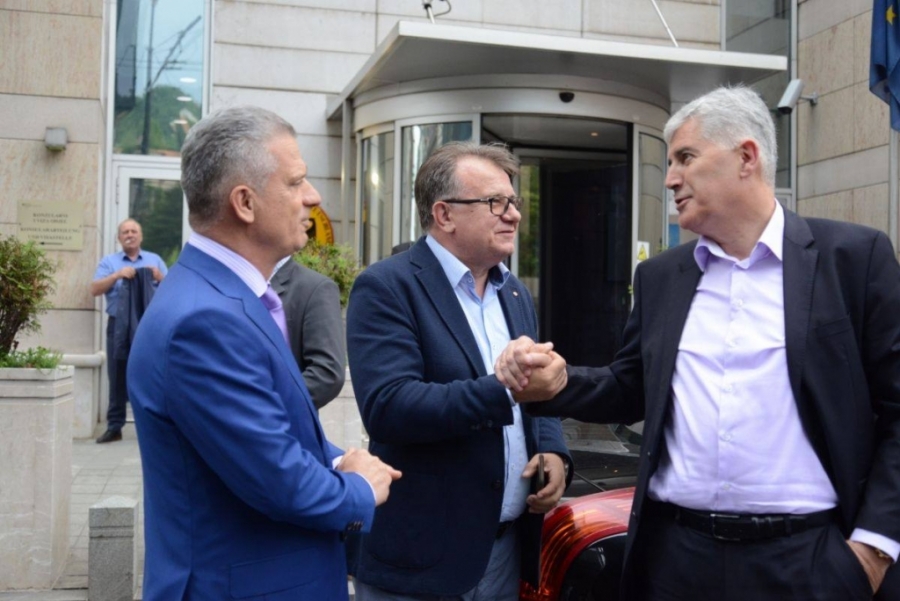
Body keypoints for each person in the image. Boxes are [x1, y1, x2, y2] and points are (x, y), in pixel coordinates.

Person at [496, 85, 900, 601]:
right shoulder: (662, 277)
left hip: (809, 562)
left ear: (746, 157)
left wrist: (873, 550)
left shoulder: (853, 259)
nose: (670, 178)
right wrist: (557, 384)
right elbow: (631, 388)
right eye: (669, 162)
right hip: (678, 561)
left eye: (685, 157)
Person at [126, 106, 401, 601]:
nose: (313, 197)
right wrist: (361, 488)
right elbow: (279, 480)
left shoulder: (225, 297)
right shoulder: (203, 321)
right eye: (295, 182)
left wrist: (340, 460)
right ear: (245, 203)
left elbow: (267, 432)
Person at [346, 141, 572, 600]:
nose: (514, 215)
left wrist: (552, 449)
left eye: (513, 201)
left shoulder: (514, 293)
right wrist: (504, 389)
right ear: (444, 214)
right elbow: (390, 406)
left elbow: (534, 391)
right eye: (495, 202)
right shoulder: (387, 286)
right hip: (421, 561)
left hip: (504, 551)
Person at [90, 218, 166, 443]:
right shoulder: (109, 262)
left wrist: (159, 277)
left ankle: (155, 427)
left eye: (134, 231)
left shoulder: (155, 260)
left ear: (141, 236)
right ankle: (115, 427)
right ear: (119, 238)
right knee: (117, 375)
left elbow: (174, 288)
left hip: (148, 326)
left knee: (151, 373)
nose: (130, 235)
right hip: (118, 326)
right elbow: (94, 289)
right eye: (125, 232)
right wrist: (117, 275)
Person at [271, 255, 346, 408]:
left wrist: (264, 405)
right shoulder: (234, 280)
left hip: (280, 418)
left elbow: (327, 373)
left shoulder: (315, 287)